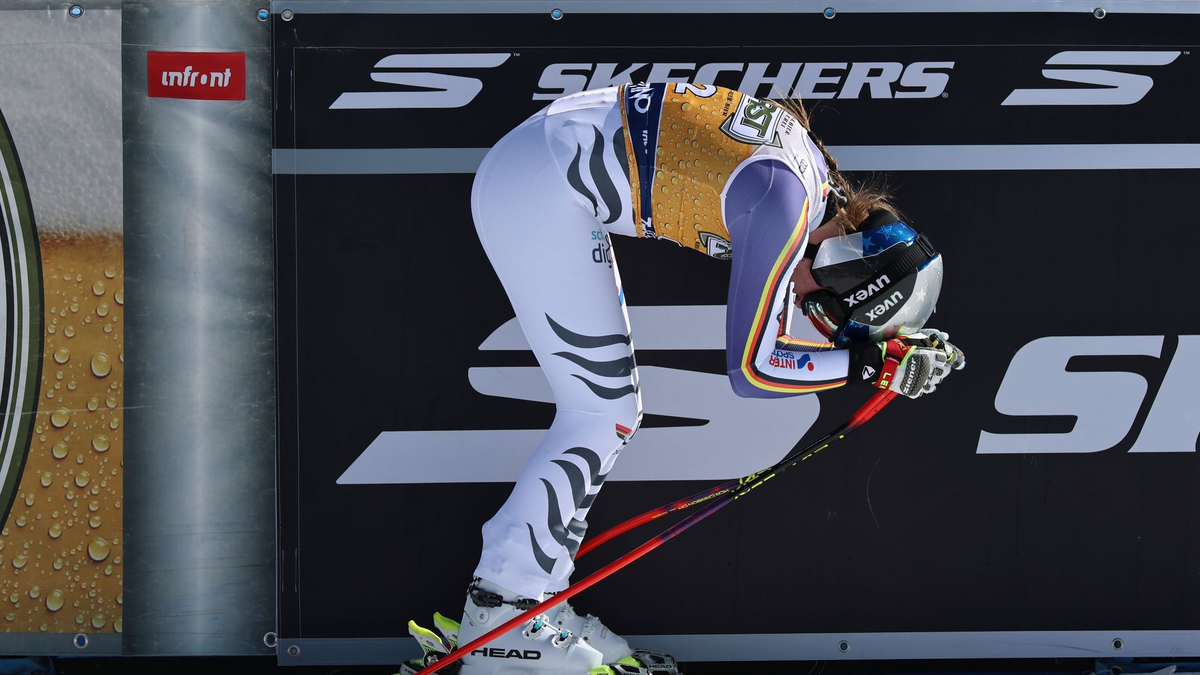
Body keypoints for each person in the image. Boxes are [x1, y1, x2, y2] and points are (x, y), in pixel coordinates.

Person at [403, 82, 965, 675]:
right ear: (841, 267)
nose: (810, 314)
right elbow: (753, 370)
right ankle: (504, 616)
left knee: (607, 411)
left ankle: (528, 602)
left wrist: (877, 357)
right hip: (540, 185)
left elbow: (772, 348)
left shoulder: (807, 190)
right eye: (826, 311)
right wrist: (869, 366)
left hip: (544, 173)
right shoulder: (785, 203)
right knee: (600, 412)